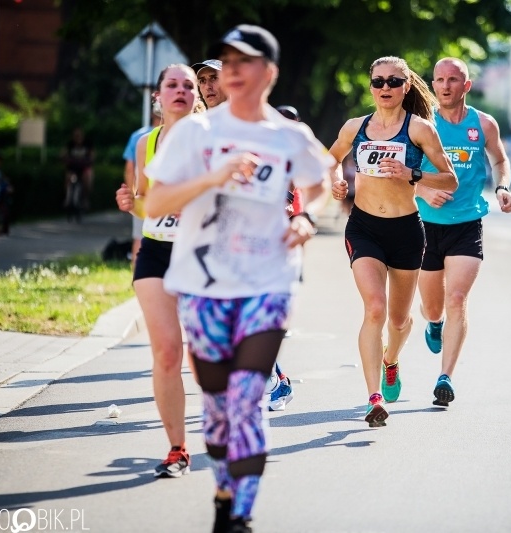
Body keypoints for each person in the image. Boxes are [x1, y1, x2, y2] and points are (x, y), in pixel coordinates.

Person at [143, 25, 332, 533]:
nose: (230, 68)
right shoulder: (196, 133)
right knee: (218, 407)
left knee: (247, 399)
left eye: (243, 60)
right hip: (204, 287)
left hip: (267, 283)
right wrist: (212, 177)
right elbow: (155, 201)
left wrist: (305, 217)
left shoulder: (288, 135)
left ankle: (240, 515)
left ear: (267, 72)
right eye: (225, 59)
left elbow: (322, 185)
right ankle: (224, 489)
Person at [328, 56, 457, 427]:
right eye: (378, 81)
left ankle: (391, 359)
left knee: (399, 321)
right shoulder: (356, 127)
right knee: (374, 309)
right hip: (364, 228)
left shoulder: (420, 130)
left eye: (393, 82)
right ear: (370, 86)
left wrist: (411, 173)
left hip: (405, 232)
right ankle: (373, 398)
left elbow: (450, 180)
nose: (385, 88)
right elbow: (331, 158)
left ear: (406, 87)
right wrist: (337, 179)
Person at [115, 64, 201, 479]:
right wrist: (135, 203)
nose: (181, 91)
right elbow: (148, 201)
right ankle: (177, 449)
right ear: (159, 96)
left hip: (201, 255)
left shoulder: (211, 139)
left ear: (197, 96)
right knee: (167, 350)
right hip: (156, 251)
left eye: (189, 85)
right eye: (173, 85)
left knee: (204, 358)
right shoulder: (145, 143)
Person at [413, 58, 511, 406]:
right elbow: (398, 173)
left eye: (453, 79)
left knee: (457, 299)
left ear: (466, 85)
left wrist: (503, 187)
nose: (445, 85)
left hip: (467, 223)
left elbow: (500, 160)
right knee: (431, 306)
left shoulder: (483, 124)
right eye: (439, 79)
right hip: (425, 225)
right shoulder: (423, 125)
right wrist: (423, 191)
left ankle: (446, 377)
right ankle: (434, 323)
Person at [123, 108, 162, 270]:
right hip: (153, 196)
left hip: (143, 194)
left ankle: (136, 278)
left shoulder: (138, 136)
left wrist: (131, 194)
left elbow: (129, 168)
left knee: (139, 238)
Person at [63, 127, 95, 211]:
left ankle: (85, 198)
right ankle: (68, 198)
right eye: (75, 135)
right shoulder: (70, 144)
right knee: (68, 178)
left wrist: (91, 159)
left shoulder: (87, 144)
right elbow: (64, 153)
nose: (77, 137)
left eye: (79, 135)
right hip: (73, 168)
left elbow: (92, 155)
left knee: (87, 178)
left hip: (84, 168)